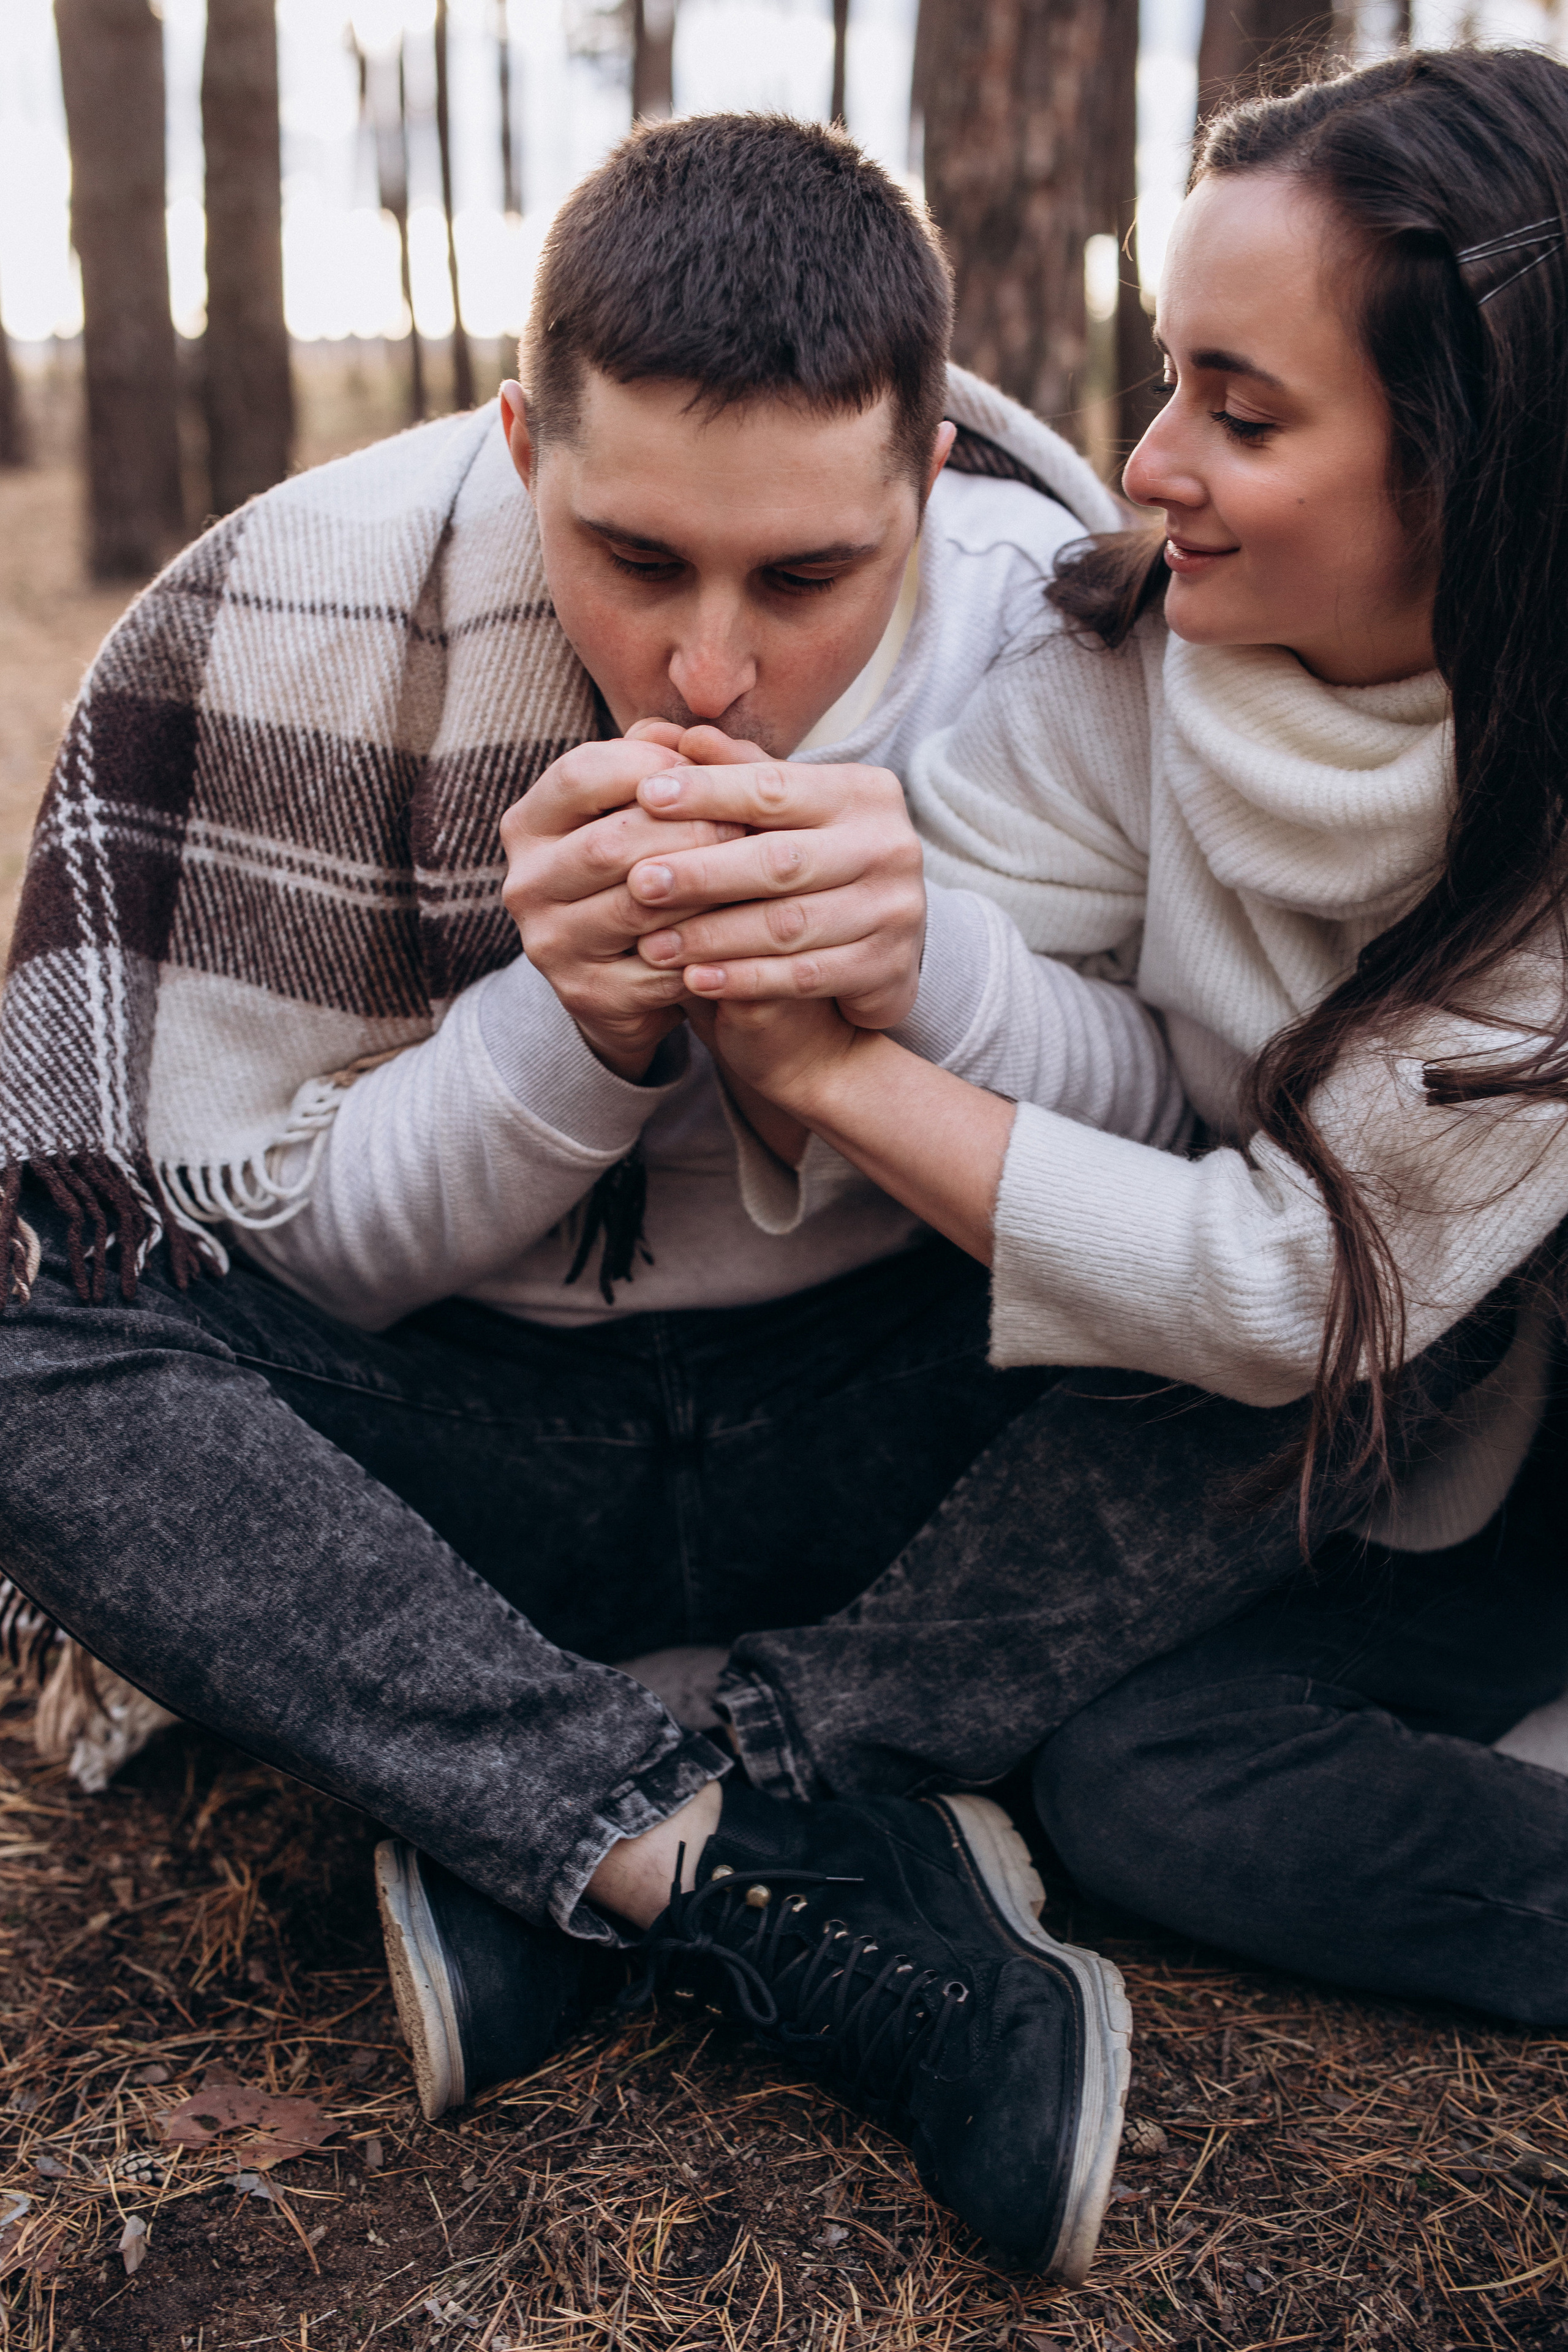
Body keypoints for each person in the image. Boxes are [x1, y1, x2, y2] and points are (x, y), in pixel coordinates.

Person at [0, 113, 1188, 2280]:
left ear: (928, 483)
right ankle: (743, 1859)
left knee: (1368, 1280)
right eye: (633, 559)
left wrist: (938, 987)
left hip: (908, 1424)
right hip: (466, 1459)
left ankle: (593, 1808)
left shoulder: (1084, 633)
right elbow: (265, 1261)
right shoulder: (275, 614)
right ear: (519, 440)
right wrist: (568, 1028)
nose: (709, 672)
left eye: (806, 578)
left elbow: (1192, 1162)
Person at [661, 50, 1568, 2024]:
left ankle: (757, 1792)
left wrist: (835, 1070)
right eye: (1171, 374)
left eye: (1239, 413)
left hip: (1478, 1421)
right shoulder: (1145, 652)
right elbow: (947, 913)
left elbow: (1293, 1291)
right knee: (1135, 1782)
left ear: (1475, 462)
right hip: (1324, 1452)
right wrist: (773, 912)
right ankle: (777, 1774)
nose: (1146, 460)